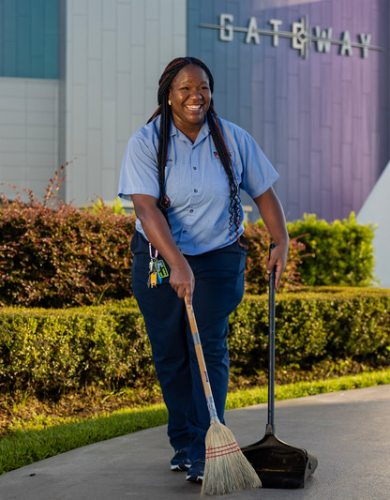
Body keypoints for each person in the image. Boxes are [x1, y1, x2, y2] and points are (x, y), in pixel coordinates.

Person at [118, 56, 289, 484]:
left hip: (218, 256)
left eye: (204, 88)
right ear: (169, 95)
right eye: (186, 89)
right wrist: (177, 265)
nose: (197, 97)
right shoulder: (145, 142)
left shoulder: (232, 139)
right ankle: (182, 441)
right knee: (171, 354)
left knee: (207, 348)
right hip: (159, 259)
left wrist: (280, 240)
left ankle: (203, 449)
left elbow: (264, 192)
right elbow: (145, 207)